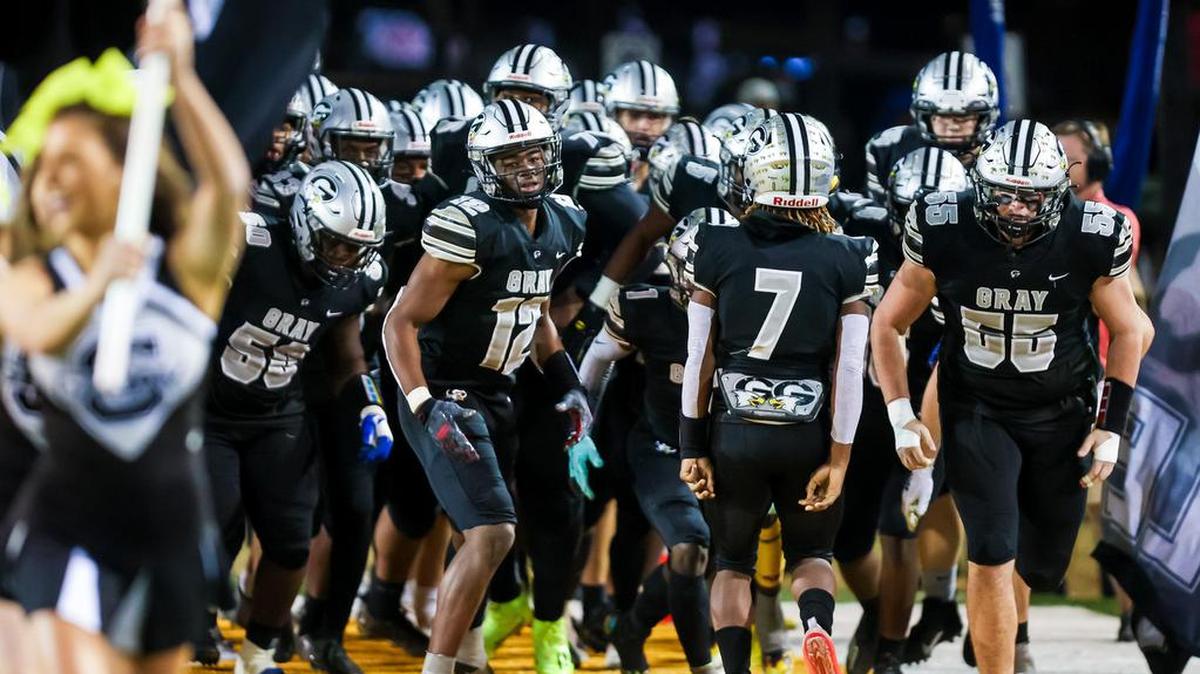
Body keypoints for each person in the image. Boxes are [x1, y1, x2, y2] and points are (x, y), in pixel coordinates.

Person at [0, 4, 250, 672]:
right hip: (66, 524)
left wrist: (184, 81)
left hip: (169, 526)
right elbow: (36, 331)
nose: (49, 179)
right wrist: (95, 285)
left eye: (72, 160)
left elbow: (228, 186)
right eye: (43, 162)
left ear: (123, 166)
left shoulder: (187, 271)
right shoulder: (28, 268)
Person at [871, 119, 1154, 674]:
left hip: (1061, 409)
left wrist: (1110, 426)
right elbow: (887, 324)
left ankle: (1003, 627)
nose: (1016, 209)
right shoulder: (944, 223)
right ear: (980, 182)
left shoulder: (1092, 231)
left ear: (1058, 191)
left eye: (1030, 197)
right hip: (976, 405)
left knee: (1044, 564)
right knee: (991, 550)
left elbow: (1132, 330)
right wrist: (902, 414)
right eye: (1003, 193)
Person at [381, 99, 591, 674]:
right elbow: (399, 321)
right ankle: (440, 667)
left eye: (533, 153)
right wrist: (424, 405)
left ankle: (470, 653)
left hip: (499, 391)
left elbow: (536, 313)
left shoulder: (564, 218)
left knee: (472, 526)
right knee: (495, 530)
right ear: (484, 165)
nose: (525, 167)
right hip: (443, 387)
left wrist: (569, 383)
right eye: (509, 157)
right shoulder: (466, 224)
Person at [680, 112, 878, 674]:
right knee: (813, 554)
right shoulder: (848, 253)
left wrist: (692, 445)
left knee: (732, 562)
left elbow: (700, 357)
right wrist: (840, 457)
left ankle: (738, 668)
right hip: (809, 428)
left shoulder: (714, 244)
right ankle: (815, 625)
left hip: (735, 428)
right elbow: (848, 366)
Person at [201, 160, 390, 674]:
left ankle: (258, 654)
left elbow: (348, 356)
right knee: (213, 525)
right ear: (306, 224)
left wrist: (369, 404)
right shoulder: (251, 245)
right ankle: (185, 625)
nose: (348, 257)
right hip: (209, 411)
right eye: (338, 243)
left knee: (289, 542)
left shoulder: (356, 280)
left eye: (358, 248)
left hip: (280, 414)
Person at [836, 147, 969, 674]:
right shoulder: (861, 235)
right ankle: (878, 613)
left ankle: (890, 648)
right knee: (845, 537)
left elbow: (951, 356)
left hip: (931, 400)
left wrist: (925, 441)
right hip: (867, 402)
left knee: (899, 525)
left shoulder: (970, 254)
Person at [577, 214, 722, 674]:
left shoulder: (754, 310)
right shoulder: (646, 305)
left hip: (731, 451)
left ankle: (632, 626)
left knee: (718, 557)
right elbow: (596, 359)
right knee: (689, 548)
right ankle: (705, 666)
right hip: (664, 446)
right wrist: (580, 425)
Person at [864, 51, 998, 205]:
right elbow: (877, 218)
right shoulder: (888, 147)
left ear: (983, 117)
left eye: (964, 116)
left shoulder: (1002, 158)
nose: (953, 125)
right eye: (941, 116)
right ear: (925, 116)